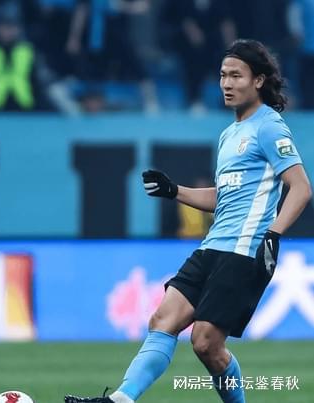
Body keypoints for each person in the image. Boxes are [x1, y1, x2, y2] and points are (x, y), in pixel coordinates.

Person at [64, 38, 312, 403]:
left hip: (245, 250)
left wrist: (273, 234)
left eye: (237, 75)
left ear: (258, 80)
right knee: (162, 320)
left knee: (206, 343)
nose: (227, 84)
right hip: (212, 247)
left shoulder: (269, 127)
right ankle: (121, 399)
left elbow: (301, 187)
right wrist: (174, 191)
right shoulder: (229, 134)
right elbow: (224, 197)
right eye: (223, 75)